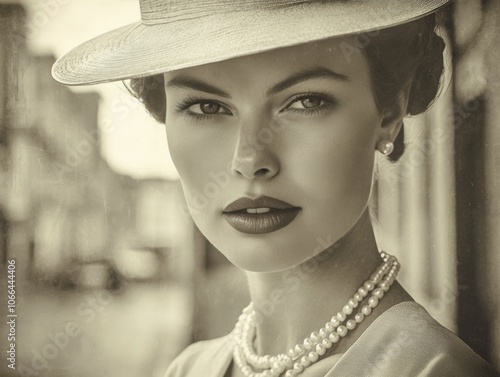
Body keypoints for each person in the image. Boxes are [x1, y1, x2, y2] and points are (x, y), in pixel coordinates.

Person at [52, 1, 499, 376]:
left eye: (306, 101)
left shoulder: (433, 369)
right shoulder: (189, 369)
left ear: (389, 112)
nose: (249, 160)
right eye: (206, 106)